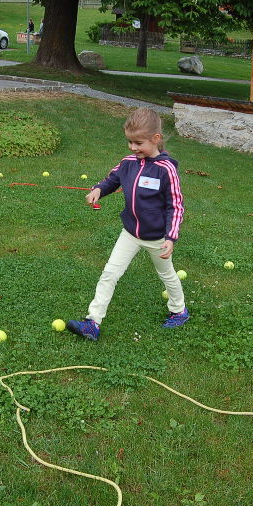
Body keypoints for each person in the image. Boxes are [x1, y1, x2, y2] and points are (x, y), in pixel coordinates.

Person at [66, 107, 188, 341]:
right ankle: (93, 322)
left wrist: (171, 237)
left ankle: (179, 310)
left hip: (157, 238)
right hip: (130, 233)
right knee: (109, 274)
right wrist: (99, 190)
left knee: (167, 275)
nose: (132, 148)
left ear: (156, 139)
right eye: (129, 142)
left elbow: (176, 205)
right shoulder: (128, 162)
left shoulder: (166, 170)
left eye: (138, 143)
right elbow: (113, 179)